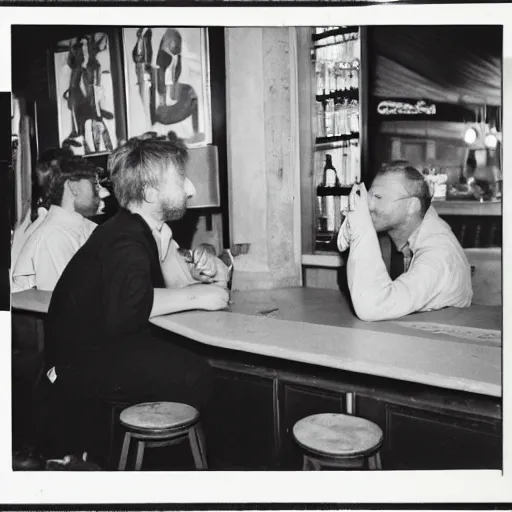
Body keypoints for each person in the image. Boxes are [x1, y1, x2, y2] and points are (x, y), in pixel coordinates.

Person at [42, 132, 229, 458]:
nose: (190, 189)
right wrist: (200, 297)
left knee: (192, 367)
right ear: (151, 192)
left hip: (91, 353)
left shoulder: (136, 229)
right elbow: (131, 308)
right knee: (200, 375)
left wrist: (202, 279)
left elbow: (165, 287)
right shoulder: (126, 238)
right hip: (80, 366)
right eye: (181, 179)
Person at [337, 161, 472, 322]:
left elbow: (372, 307)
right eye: (369, 195)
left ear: (411, 206)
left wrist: (361, 230)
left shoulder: (439, 254)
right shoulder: (419, 234)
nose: (369, 205)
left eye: (378, 197)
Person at [11, 154, 105, 292]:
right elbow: (68, 301)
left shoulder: (90, 228)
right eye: (93, 183)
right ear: (73, 187)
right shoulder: (53, 237)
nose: (100, 190)